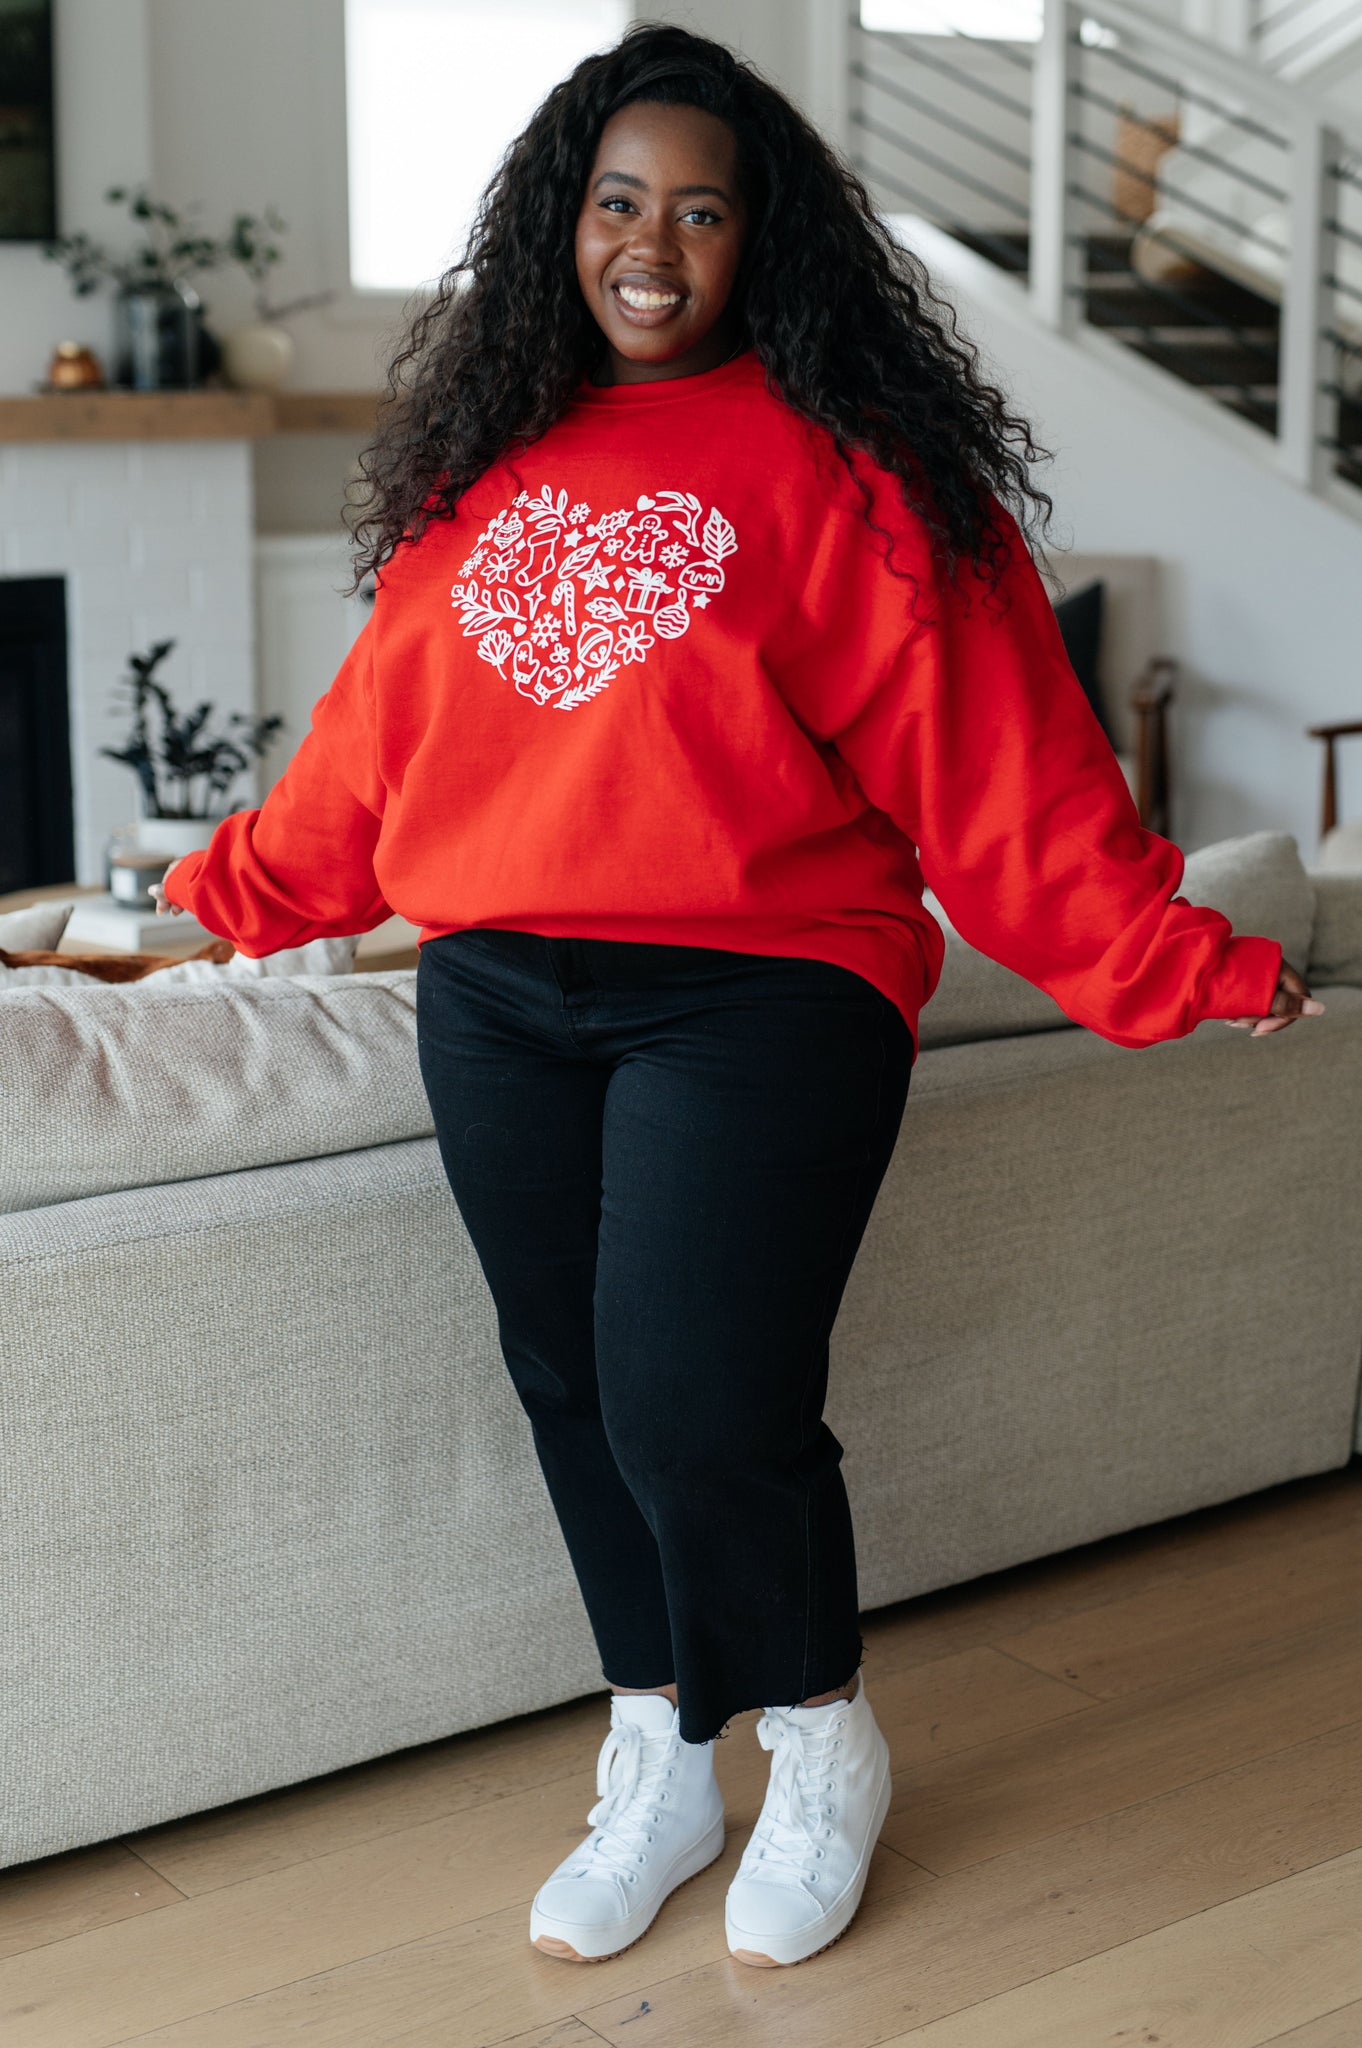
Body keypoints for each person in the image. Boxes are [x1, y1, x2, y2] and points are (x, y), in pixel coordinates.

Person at [153, 22, 1324, 1972]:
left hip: (767, 985)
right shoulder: (485, 460)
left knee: (702, 1400)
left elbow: (1004, 768)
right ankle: (661, 1750)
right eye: (619, 203)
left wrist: (1176, 949)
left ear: (761, 239)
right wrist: (234, 890)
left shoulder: (862, 474)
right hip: (497, 986)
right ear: (562, 224)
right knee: (569, 1382)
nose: (653, 246)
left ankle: (821, 1735)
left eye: (701, 212)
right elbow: (378, 740)